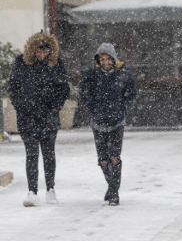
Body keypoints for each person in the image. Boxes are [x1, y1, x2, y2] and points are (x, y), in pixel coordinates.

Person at [8, 32, 69, 207]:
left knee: (49, 155)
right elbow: (13, 87)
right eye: (38, 51)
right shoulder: (21, 63)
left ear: (50, 51)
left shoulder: (56, 64)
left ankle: (50, 189)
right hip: (27, 118)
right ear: (33, 50)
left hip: (48, 117)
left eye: (45, 51)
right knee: (31, 155)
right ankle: (32, 191)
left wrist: (56, 105)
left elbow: (64, 87)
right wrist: (21, 105)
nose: (41, 55)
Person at [79, 43, 135, 206]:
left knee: (114, 156)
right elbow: (84, 93)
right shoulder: (91, 75)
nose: (105, 62)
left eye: (108, 59)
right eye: (102, 59)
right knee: (103, 159)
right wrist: (92, 108)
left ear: (113, 59)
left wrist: (122, 107)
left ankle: (114, 193)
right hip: (98, 121)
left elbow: (131, 93)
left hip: (117, 121)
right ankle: (112, 187)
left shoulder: (123, 74)